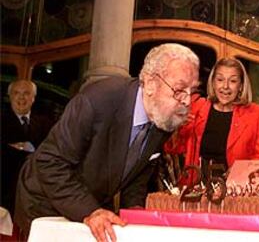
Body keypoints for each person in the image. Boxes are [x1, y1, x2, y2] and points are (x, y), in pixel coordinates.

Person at [14, 43, 200, 241]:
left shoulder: (163, 118)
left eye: (193, 90)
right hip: (46, 201)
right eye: (180, 89)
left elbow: (136, 177)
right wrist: (91, 210)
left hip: (91, 201)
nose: (187, 101)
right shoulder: (97, 100)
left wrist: (136, 215)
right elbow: (49, 163)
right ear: (151, 83)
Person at [164, 57, 259, 183]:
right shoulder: (196, 107)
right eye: (220, 80)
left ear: (241, 86)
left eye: (233, 81)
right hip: (197, 189)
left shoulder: (256, 113)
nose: (225, 86)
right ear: (213, 83)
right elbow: (172, 149)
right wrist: (177, 127)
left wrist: (241, 172)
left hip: (236, 190)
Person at [1, 80, 53, 216]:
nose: (21, 98)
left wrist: (29, 147)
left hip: (37, 193)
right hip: (6, 192)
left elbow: (51, 150)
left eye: (26, 93)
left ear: (33, 98)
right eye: (16, 93)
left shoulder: (46, 123)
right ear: (9, 96)